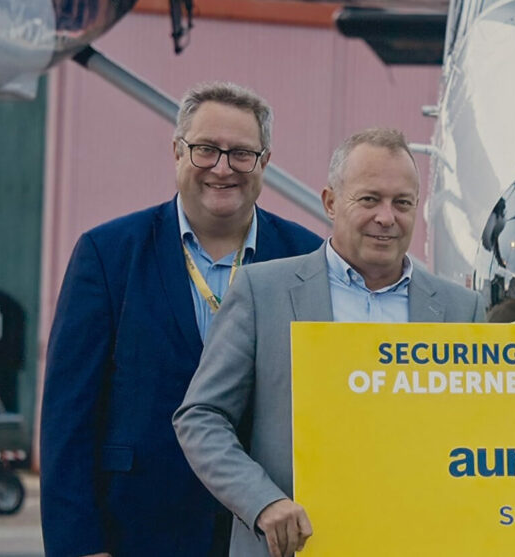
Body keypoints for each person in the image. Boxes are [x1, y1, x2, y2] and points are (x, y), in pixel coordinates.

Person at [40, 82, 322, 557]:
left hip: (266, 534)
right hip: (137, 529)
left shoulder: (307, 257)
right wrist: (79, 545)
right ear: (176, 151)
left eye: (241, 154)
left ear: (265, 163)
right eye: (206, 149)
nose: (222, 167)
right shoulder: (109, 255)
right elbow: (69, 417)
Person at [173, 128, 485, 557]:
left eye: (403, 203)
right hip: (291, 547)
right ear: (331, 202)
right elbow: (201, 417)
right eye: (369, 199)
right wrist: (263, 501)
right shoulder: (262, 292)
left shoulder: (460, 309)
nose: (386, 217)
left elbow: (480, 436)